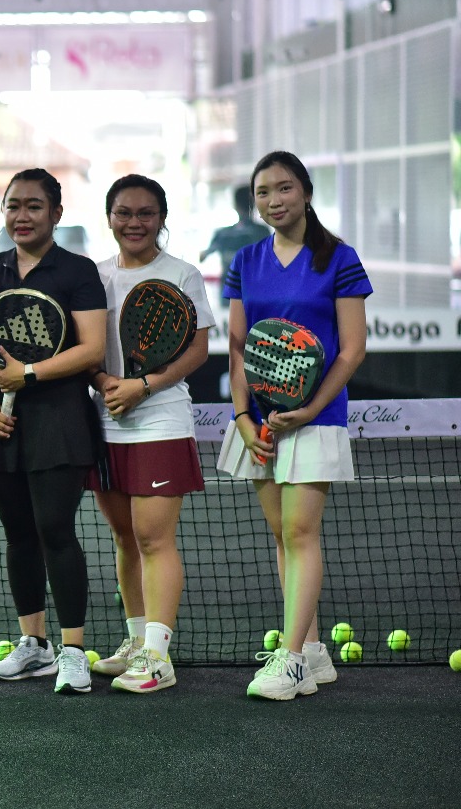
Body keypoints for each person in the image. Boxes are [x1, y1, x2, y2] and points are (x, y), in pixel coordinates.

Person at [218, 151, 370, 701]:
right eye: (263, 192)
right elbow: (238, 347)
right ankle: (310, 650)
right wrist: (240, 415)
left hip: (316, 417)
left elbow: (351, 350)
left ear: (305, 191)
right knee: (282, 535)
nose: (274, 200)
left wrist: (309, 409)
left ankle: (290, 659)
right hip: (259, 423)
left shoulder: (340, 258)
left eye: (284, 188)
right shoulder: (246, 260)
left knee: (302, 532)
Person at [0, 168, 106, 694]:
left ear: (56, 214)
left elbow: (92, 349)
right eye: (13, 205)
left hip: (60, 422)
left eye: (34, 207)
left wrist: (30, 375)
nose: (22, 216)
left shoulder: (77, 270)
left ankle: (72, 651)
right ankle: (34, 645)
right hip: (2, 424)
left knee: (55, 532)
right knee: (18, 535)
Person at [84, 175, 214, 693]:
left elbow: (198, 350)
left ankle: (158, 658)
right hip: (105, 420)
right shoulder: (94, 276)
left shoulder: (181, 274)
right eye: (123, 212)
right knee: (123, 538)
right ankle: (137, 643)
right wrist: (104, 382)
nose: (133, 223)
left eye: (144, 213)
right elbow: (88, 349)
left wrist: (143, 385)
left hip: (160, 422)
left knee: (153, 538)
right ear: (109, 216)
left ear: (161, 218)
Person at [200, 185, 269, 306]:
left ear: (235, 205)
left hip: (229, 295)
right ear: (254, 204)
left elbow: (203, 256)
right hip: (255, 295)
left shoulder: (223, 234)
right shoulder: (262, 232)